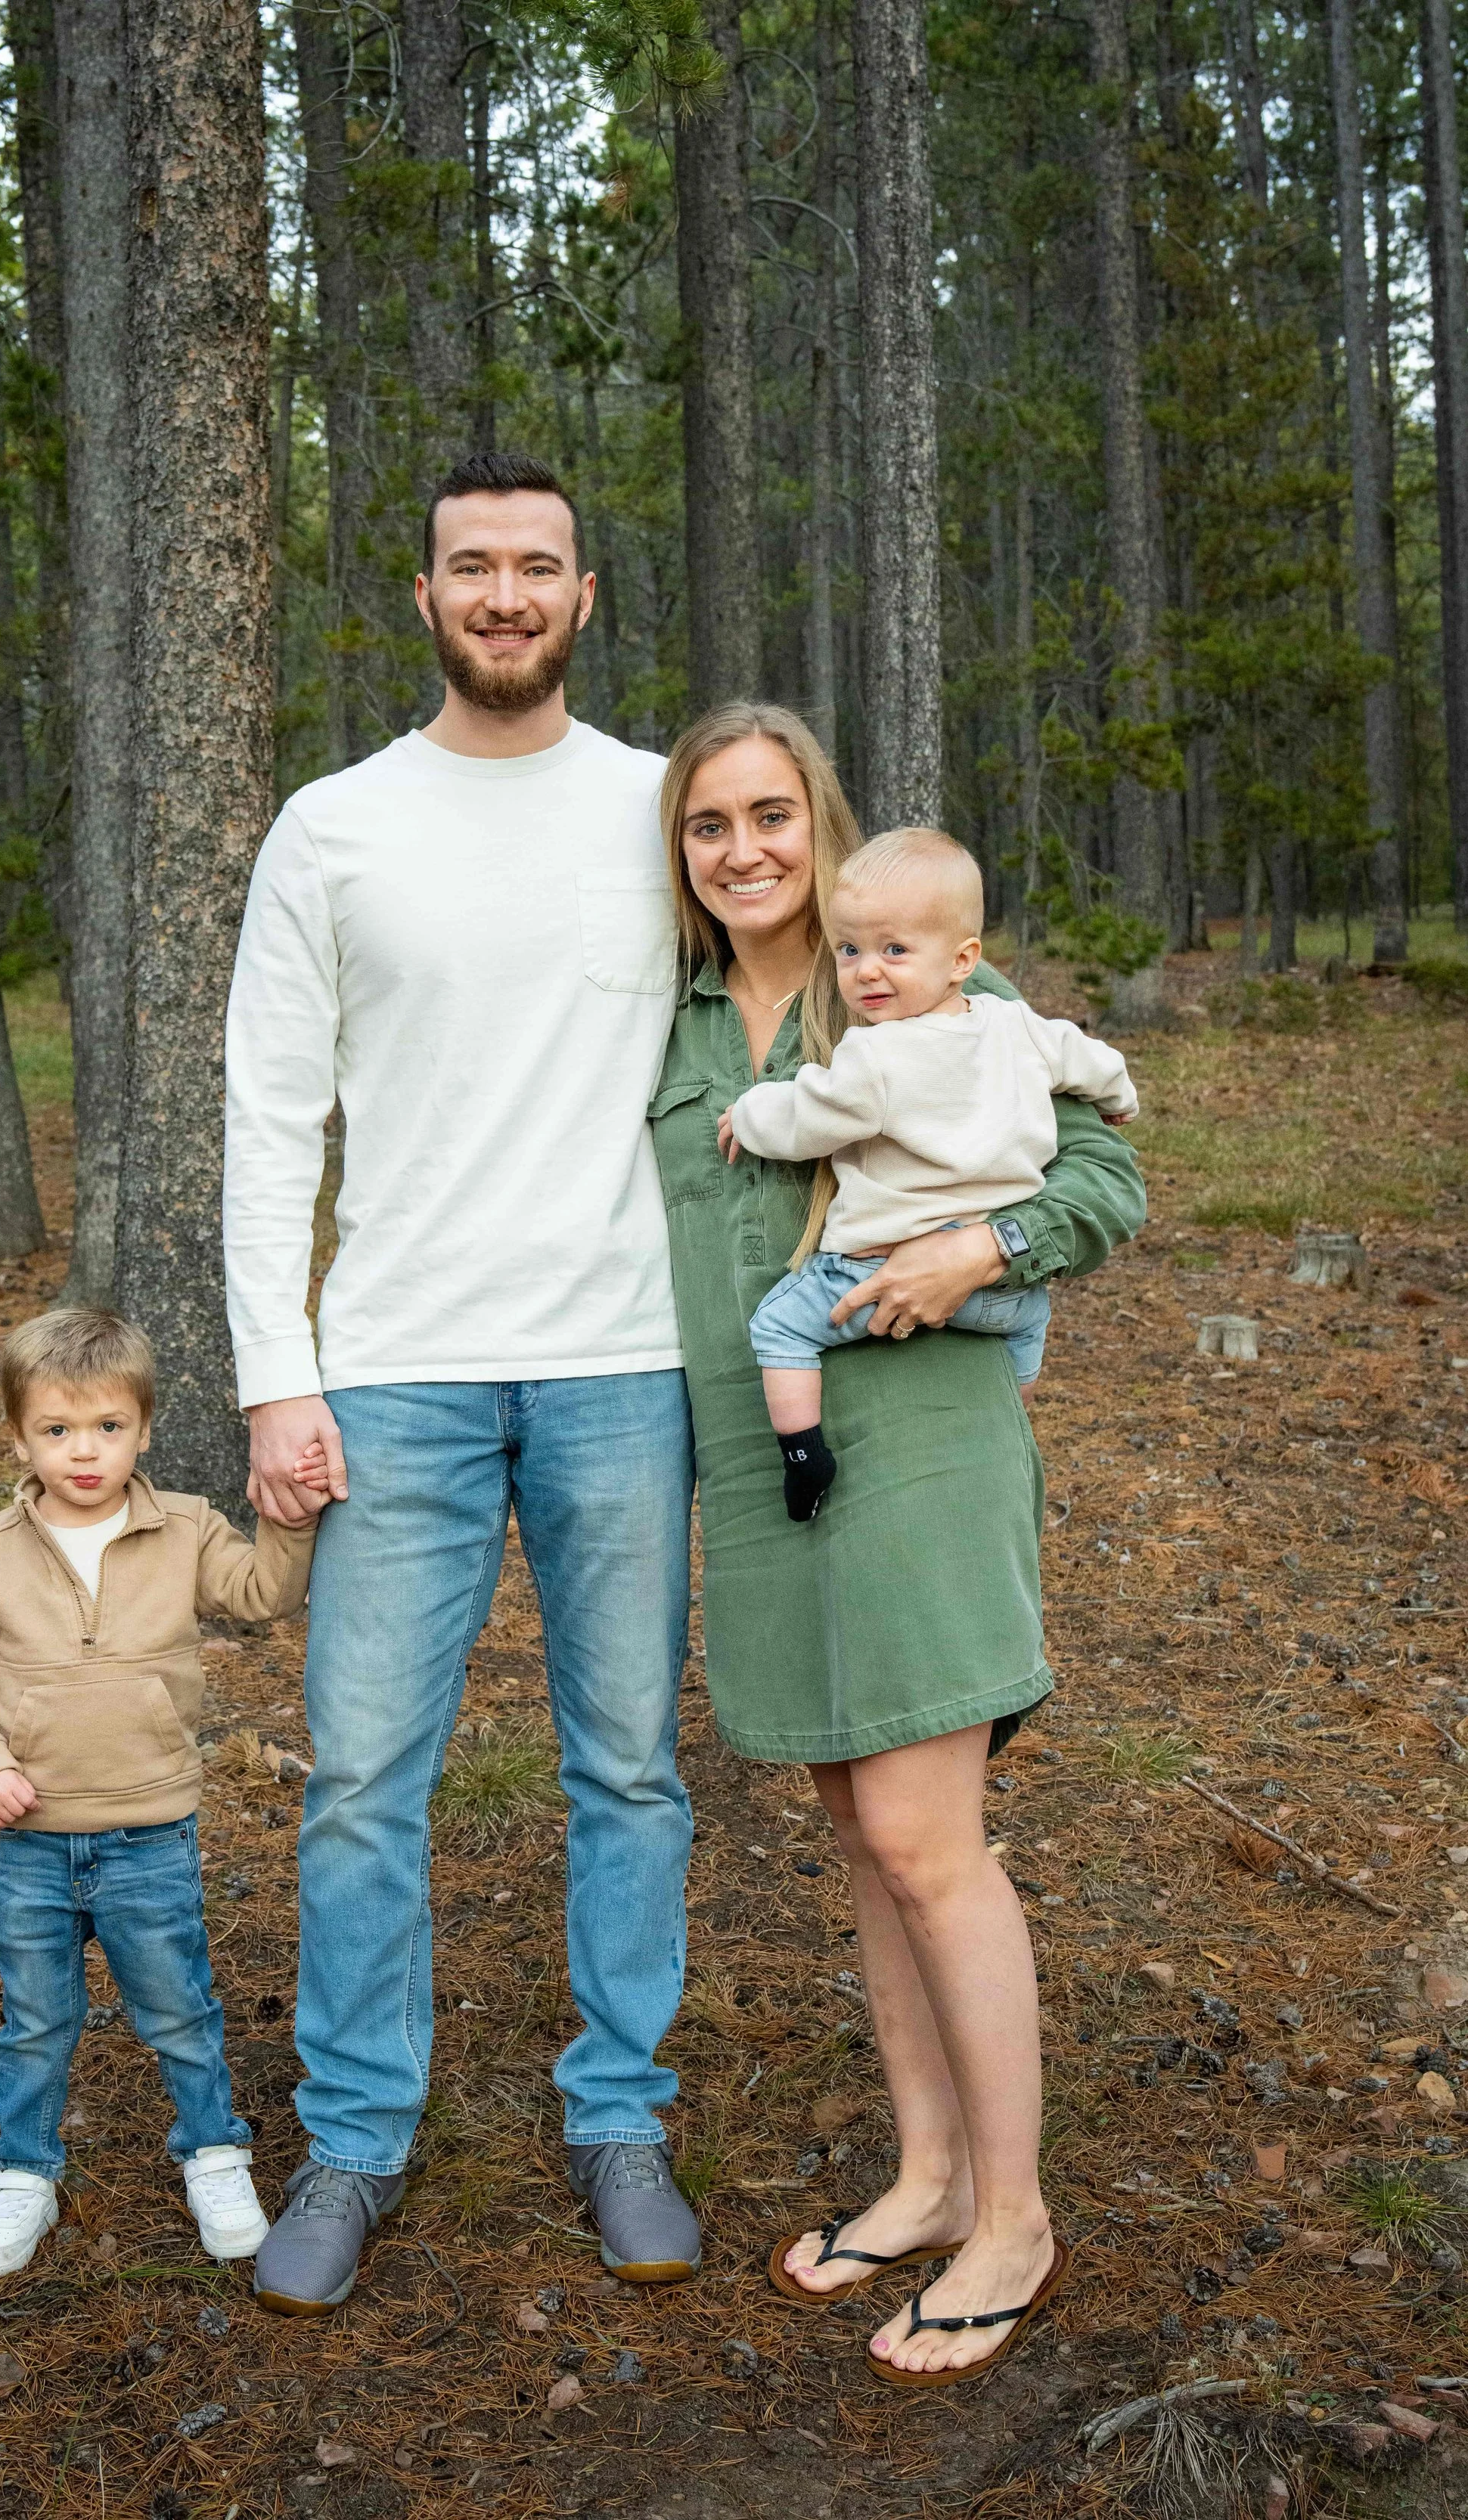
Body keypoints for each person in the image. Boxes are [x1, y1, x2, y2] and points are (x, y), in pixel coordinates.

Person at [224, 451, 702, 2315]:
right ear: (419, 598)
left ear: (587, 598)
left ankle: (621, 2118)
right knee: (360, 1782)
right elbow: (270, 1120)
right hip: (398, 1373)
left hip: (623, 1363)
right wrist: (283, 1375)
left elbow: (831, 987)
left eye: (539, 567)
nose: (505, 595)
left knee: (633, 1772)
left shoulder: (667, 809)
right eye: (470, 567)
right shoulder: (333, 828)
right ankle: (351, 2141)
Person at [648, 705, 1144, 2385]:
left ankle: (1011, 2211)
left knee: (931, 1834)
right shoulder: (669, 1024)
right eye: (708, 823)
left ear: (821, 824)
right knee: (859, 1822)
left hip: (920, 1434)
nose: (744, 851)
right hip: (759, 1449)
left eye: (770, 814)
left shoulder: (947, 989)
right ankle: (925, 2171)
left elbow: (1103, 1179)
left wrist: (980, 1245)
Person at [0, 1308, 318, 2280]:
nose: (84, 1452)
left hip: (151, 1835)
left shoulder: (181, 1528)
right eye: (57, 1431)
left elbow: (262, 1594)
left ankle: (215, 2154)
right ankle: (22, 2173)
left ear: (142, 1430)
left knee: (178, 2008)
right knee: (35, 2020)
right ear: (19, 1439)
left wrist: (290, 1519)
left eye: (106, 1427)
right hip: (36, 1840)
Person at [722, 825, 1138, 1520]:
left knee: (780, 1330)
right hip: (1001, 1289)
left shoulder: (874, 1057)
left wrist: (750, 1113)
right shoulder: (1019, 1026)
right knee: (1028, 1339)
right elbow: (1093, 1059)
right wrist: (1119, 1099)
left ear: (962, 958)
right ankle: (1016, 1430)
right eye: (849, 950)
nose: (866, 970)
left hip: (874, 1271)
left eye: (894, 950)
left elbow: (806, 1120)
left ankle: (802, 1459)